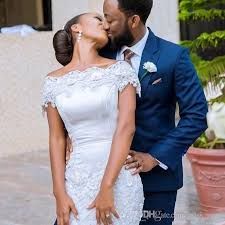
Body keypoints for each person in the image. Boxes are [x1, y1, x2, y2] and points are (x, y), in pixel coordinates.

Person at [65, 0, 208, 224]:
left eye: (110, 19)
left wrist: (155, 157)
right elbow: (69, 89)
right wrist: (69, 134)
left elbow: (196, 116)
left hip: (156, 182)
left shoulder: (174, 57)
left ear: (133, 20)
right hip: (102, 175)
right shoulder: (100, 52)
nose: (105, 25)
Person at [41, 13, 144, 225]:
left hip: (119, 180)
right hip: (77, 180)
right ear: (76, 28)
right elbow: (57, 139)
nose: (106, 25)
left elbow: (126, 128)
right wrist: (59, 193)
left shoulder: (120, 70)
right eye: (98, 19)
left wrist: (106, 187)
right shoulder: (53, 82)